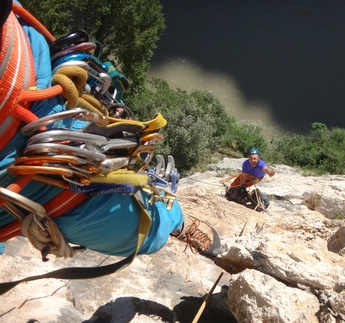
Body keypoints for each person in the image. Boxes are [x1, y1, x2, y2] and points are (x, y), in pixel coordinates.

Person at [0, 0, 220, 262]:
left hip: (34, 98)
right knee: (143, 231)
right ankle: (175, 222)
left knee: (135, 203)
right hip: (41, 154)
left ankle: (178, 222)